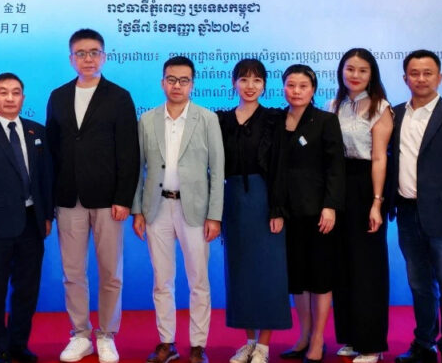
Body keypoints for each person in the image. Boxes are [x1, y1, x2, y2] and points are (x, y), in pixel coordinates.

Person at [46, 28, 140, 363]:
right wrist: (50, 199)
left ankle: (107, 334)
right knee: (73, 272)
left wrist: (124, 198)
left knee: (110, 272)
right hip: (68, 198)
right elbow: (52, 152)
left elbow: (129, 152)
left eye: (94, 52)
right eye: (81, 53)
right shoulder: (58, 96)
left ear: (104, 56)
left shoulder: (119, 97)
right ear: (71, 58)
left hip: (108, 200)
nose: (88, 59)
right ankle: (80, 334)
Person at [386, 50, 442, 363]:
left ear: (439, 77)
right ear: (405, 78)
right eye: (414, 73)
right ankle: (424, 345)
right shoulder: (395, 114)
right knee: (419, 285)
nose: (421, 79)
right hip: (406, 213)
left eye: (427, 73)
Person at [132, 56, 224, 363]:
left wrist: (215, 215)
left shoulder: (207, 119)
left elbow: (217, 170)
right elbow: (138, 169)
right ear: (162, 82)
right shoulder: (147, 120)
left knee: (199, 280)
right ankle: (166, 342)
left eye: (184, 80)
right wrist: (137, 210)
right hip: (156, 208)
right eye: (171, 79)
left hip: (195, 210)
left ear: (192, 84)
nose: (177, 86)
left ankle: (198, 345)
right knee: (162, 280)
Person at [0, 73, 54, 363]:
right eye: (3, 93)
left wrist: (47, 215)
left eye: (16, 93)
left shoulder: (37, 131)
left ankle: (19, 344)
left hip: (32, 222)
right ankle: (0, 345)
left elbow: (45, 177)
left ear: (23, 98)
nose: (10, 98)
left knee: (27, 288)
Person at [217, 59, 290, 363]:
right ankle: (248, 341)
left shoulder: (275, 118)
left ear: (264, 85)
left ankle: (264, 346)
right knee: (240, 273)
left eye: (257, 80)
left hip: (265, 200)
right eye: (244, 79)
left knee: (269, 273)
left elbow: (281, 166)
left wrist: (277, 208)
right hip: (233, 201)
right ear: (233, 83)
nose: (250, 86)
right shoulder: (221, 119)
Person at [326, 49, 393, 363]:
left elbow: (379, 158)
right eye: (350, 69)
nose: (355, 75)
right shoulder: (334, 105)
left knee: (368, 267)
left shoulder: (381, 107)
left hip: (367, 187)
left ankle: (372, 344)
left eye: (362, 70)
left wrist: (376, 203)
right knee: (343, 265)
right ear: (341, 71)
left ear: (371, 74)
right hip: (339, 186)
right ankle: (352, 337)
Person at [275, 64, 344, 363]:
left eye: (303, 86)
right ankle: (303, 335)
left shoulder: (326, 120)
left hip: (318, 212)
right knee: (298, 278)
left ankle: (318, 339)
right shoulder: (277, 120)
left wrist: (330, 206)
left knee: (320, 277)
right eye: (291, 85)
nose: (296, 91)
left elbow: (335, 167)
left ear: (313, 89)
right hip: (288, 213)